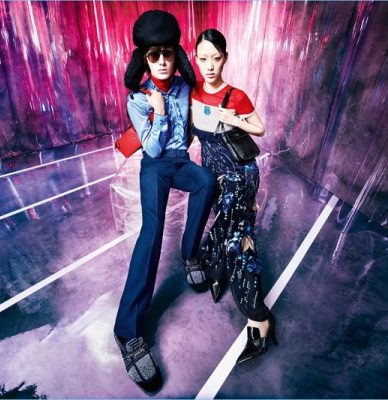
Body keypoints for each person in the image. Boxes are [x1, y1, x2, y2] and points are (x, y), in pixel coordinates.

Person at [113, 10, 216, 392]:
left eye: (167, 54)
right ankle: (127, 330)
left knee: (206, 182)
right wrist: (158, 112)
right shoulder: (137, 99)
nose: (160, 61)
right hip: (155, 166)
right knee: (152, 231)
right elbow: (152, 148)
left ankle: (190, 255)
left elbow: (197, 122)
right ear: (144, 59)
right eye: (153, 55)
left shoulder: (185, 87)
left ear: (176, 55)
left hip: (180, 162)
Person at [191, 29, 278, 364]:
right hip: (213, 176)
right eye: (203, 59)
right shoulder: (193, 92)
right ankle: (217, 272)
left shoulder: (236, 95)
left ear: (225, 58)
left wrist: (235, 119)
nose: (210, 65)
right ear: (196, 59)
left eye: (216, 58)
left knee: (238, 243)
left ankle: (260, 320)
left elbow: (260, 129)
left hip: (240, 177)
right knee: (224, 230)